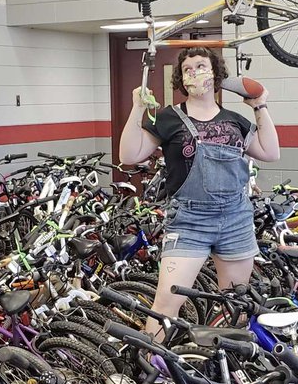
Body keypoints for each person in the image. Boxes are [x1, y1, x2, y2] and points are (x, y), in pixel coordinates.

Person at [118, 46, 280, 335]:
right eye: (187, 69)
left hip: (235, 220)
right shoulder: (167, 118)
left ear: (215, 74)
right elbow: (129, 155)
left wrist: (259, 106)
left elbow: (270, 151)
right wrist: (137, 108)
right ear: (181, 79)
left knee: (234, 304)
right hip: (189, 222)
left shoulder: (235, 121)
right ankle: (155, 370)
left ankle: (228, 368)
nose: (194, 73)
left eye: (201, 66)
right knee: (166, 304)